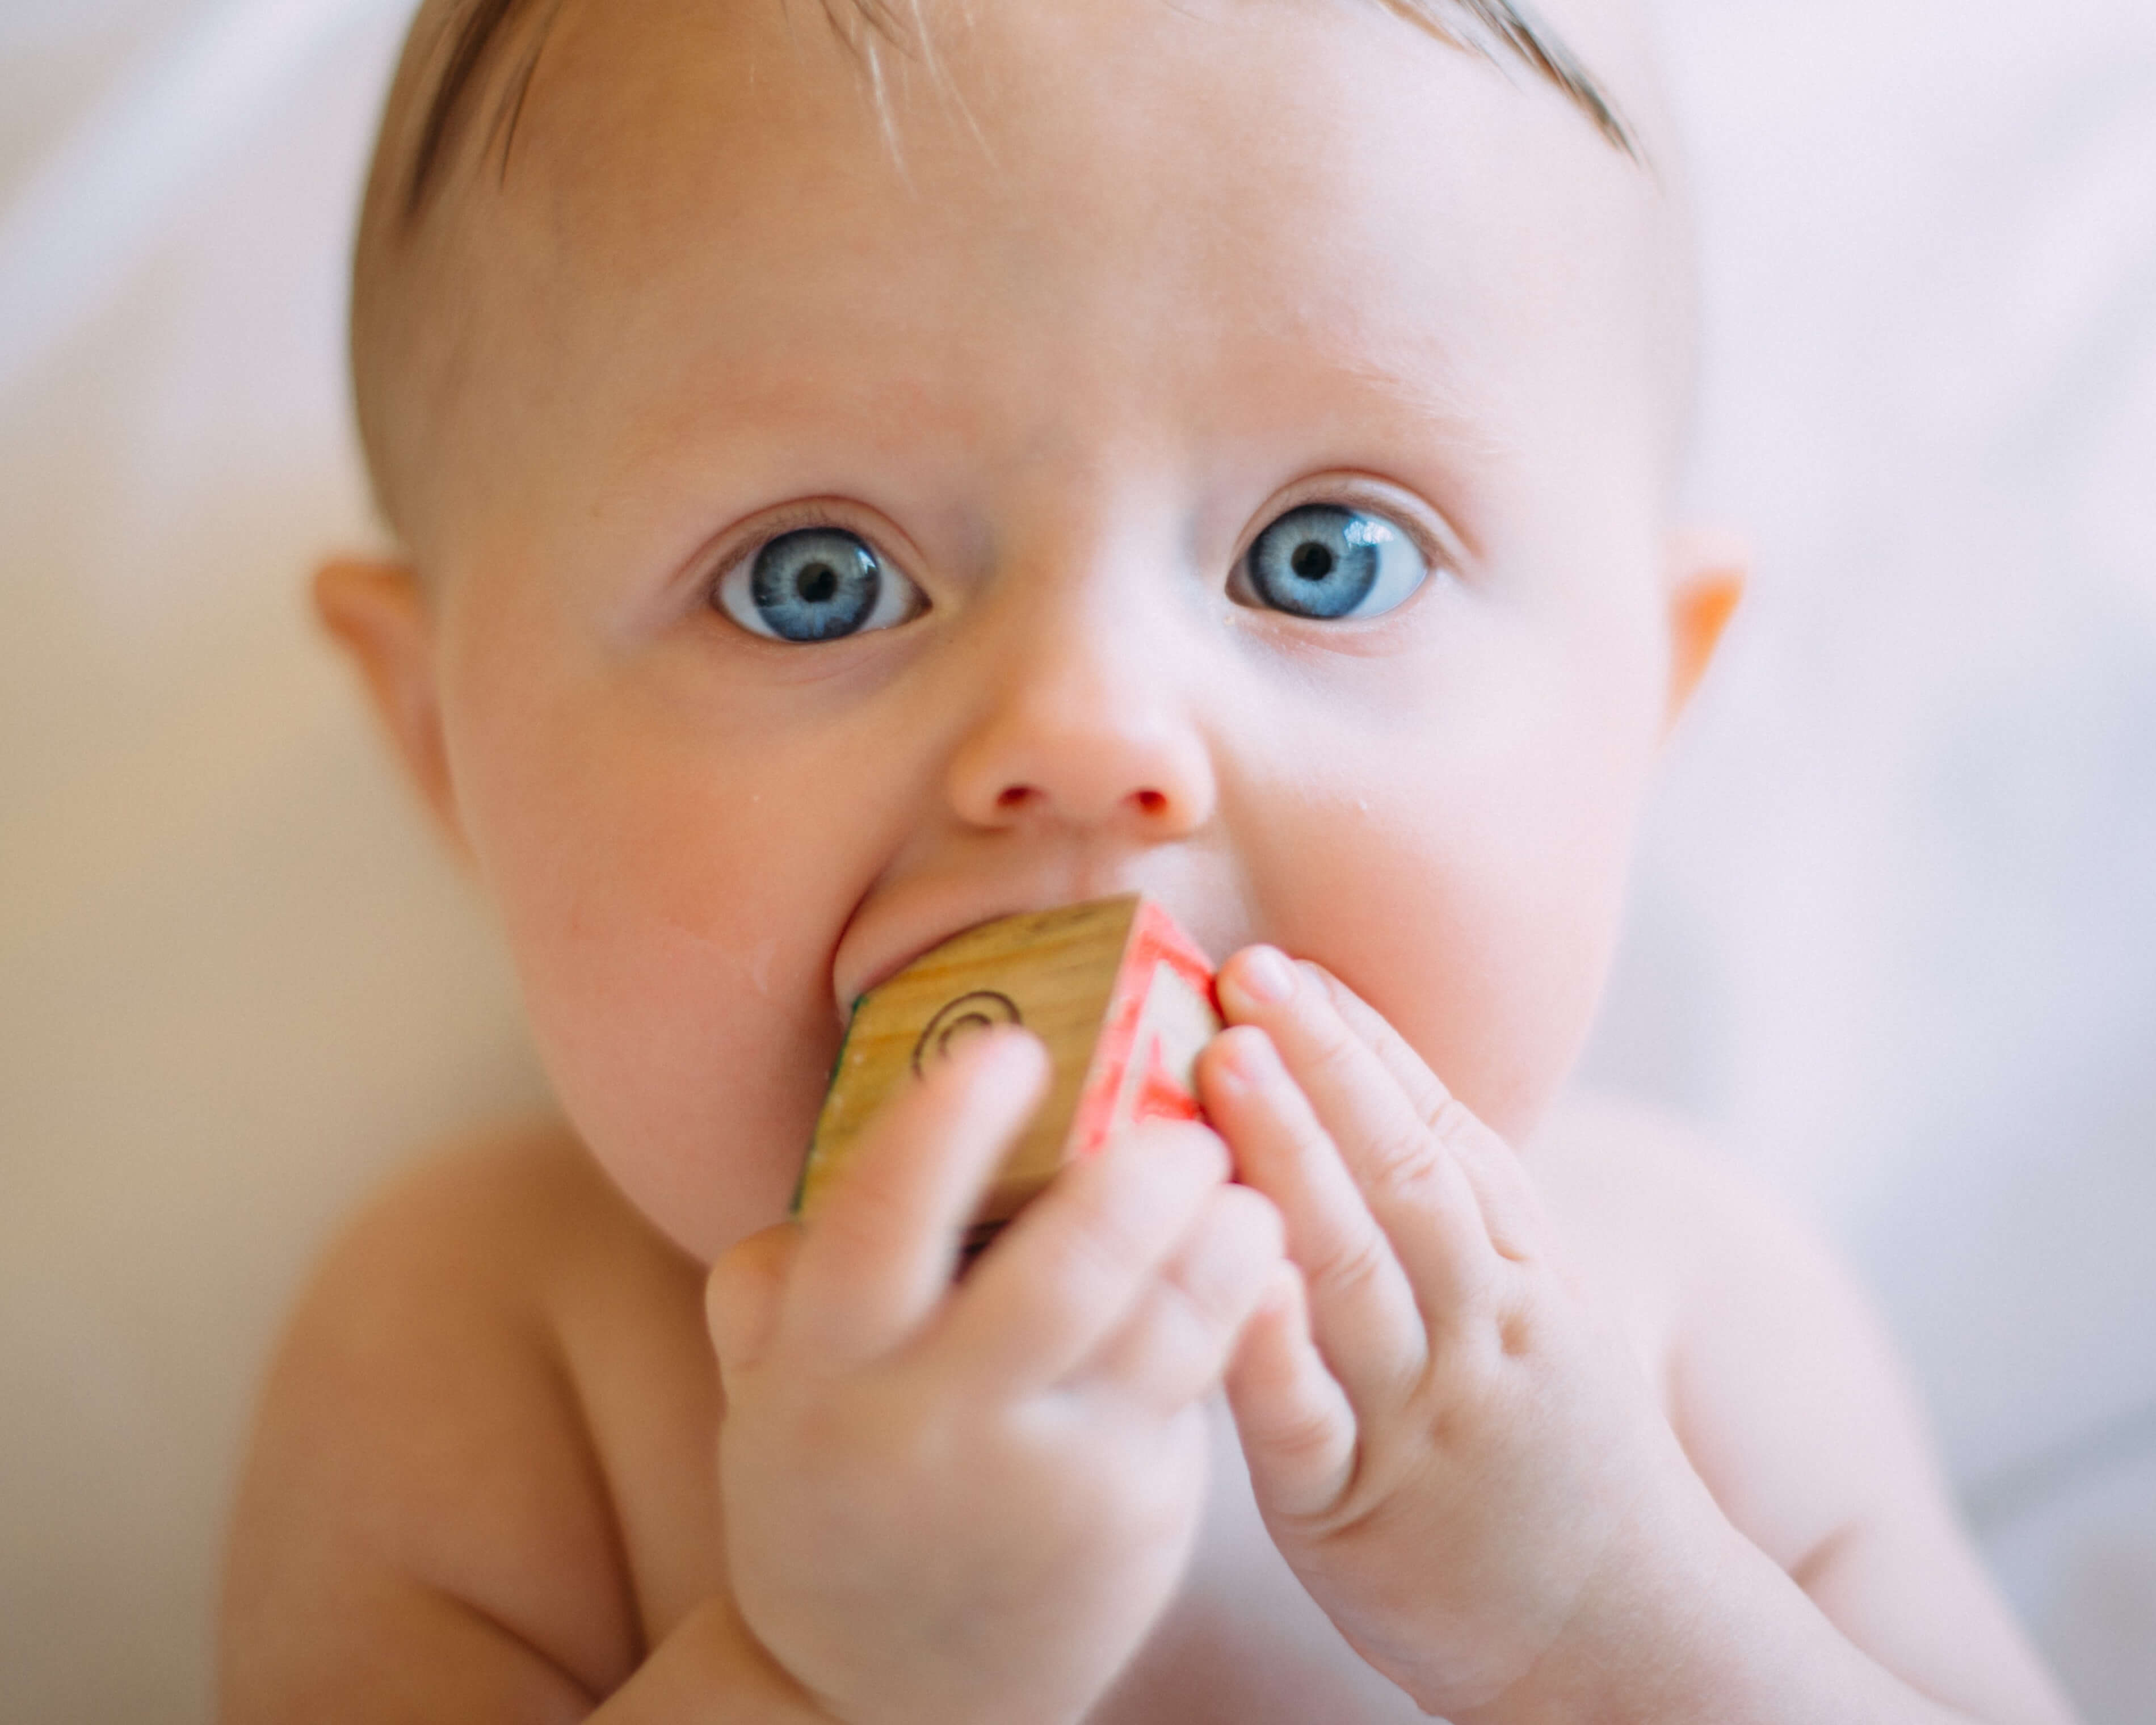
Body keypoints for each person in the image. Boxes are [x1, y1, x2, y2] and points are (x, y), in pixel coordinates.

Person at [218, 0, 2080, 1719]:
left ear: (1638, 711)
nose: (1092, 730)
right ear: (447, 747)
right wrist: (827, 1676)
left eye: (1324, 556)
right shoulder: (489, 1355)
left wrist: (1598, 1601)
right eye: (820, 583)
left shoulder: (1678, 1316)